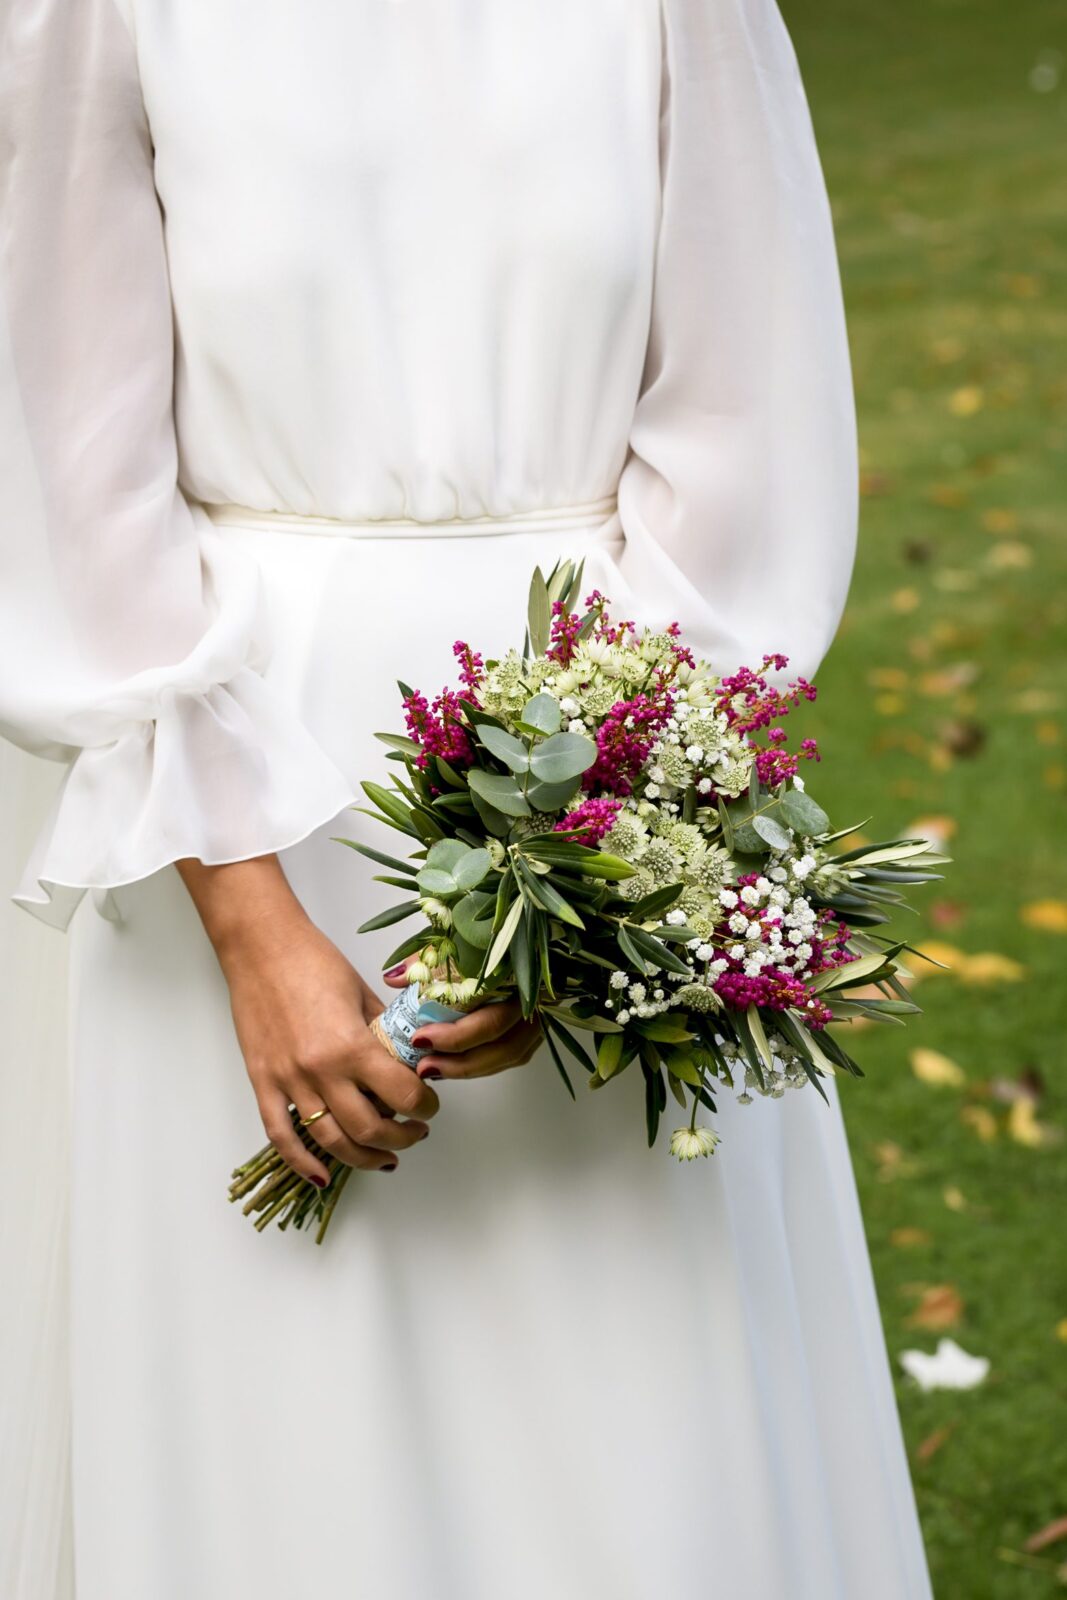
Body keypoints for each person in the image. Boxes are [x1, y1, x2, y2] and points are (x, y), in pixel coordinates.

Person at [0, 0, 935, 1595]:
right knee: (281, 1431)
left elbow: (746, 432)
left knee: (642, 1420)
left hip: (609, 772)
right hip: (229, 796)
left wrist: (581, 864)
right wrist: (251, 923)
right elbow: (60, 465)